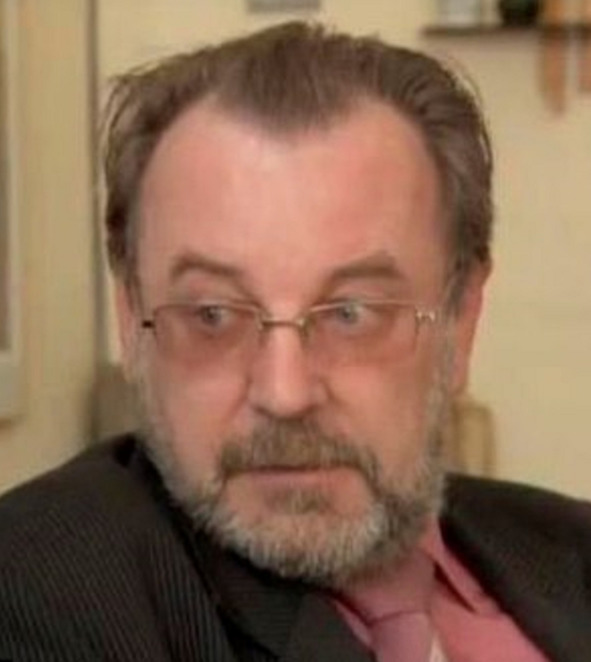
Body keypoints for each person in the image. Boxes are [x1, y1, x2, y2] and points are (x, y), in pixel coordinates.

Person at [0, 21, 589, 662]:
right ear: (131, 320)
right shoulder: (42, 586)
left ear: (461, 318)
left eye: (352, 313)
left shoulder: (568, 550)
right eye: (214, 315)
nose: (284, 394)